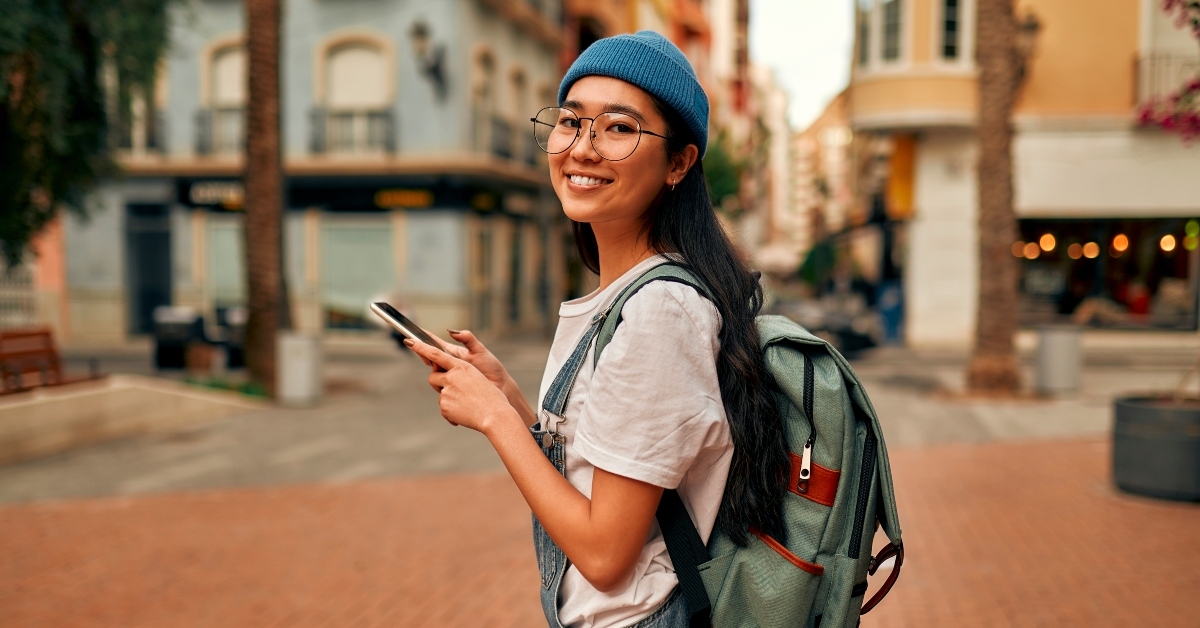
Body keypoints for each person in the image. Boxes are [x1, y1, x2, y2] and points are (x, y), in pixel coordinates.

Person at [405, 31, 788, 628]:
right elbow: (605, 474)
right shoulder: (628, 296)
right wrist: (515, 403)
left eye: (618, 127)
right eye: (570, 121)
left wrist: (495, 420)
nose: (582, 148)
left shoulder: (659, 310)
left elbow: (606, 553)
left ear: (679, 164)